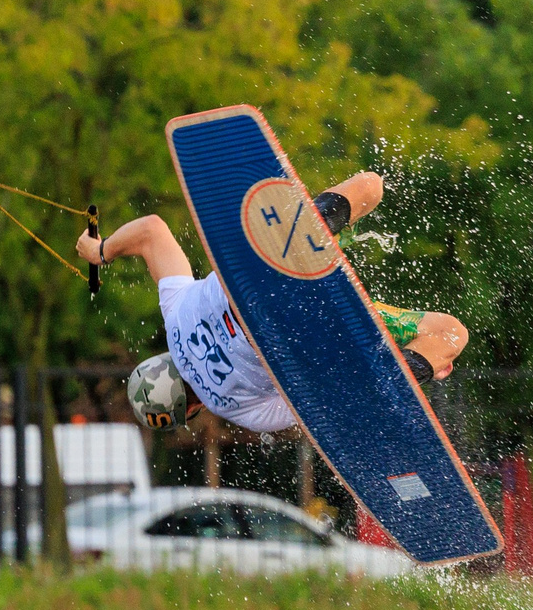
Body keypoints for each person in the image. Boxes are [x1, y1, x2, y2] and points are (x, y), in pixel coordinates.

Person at [78, 170, 470, 435]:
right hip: (272, 265)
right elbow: (151, 230)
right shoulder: (175, 315)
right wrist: (100, 251)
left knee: (449, 334)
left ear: (189, 410)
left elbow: (321, 401)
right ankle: (320, 223)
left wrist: (413, 367)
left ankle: (404, 371)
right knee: (369, 186)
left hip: (316, 323)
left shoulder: (235, 409)